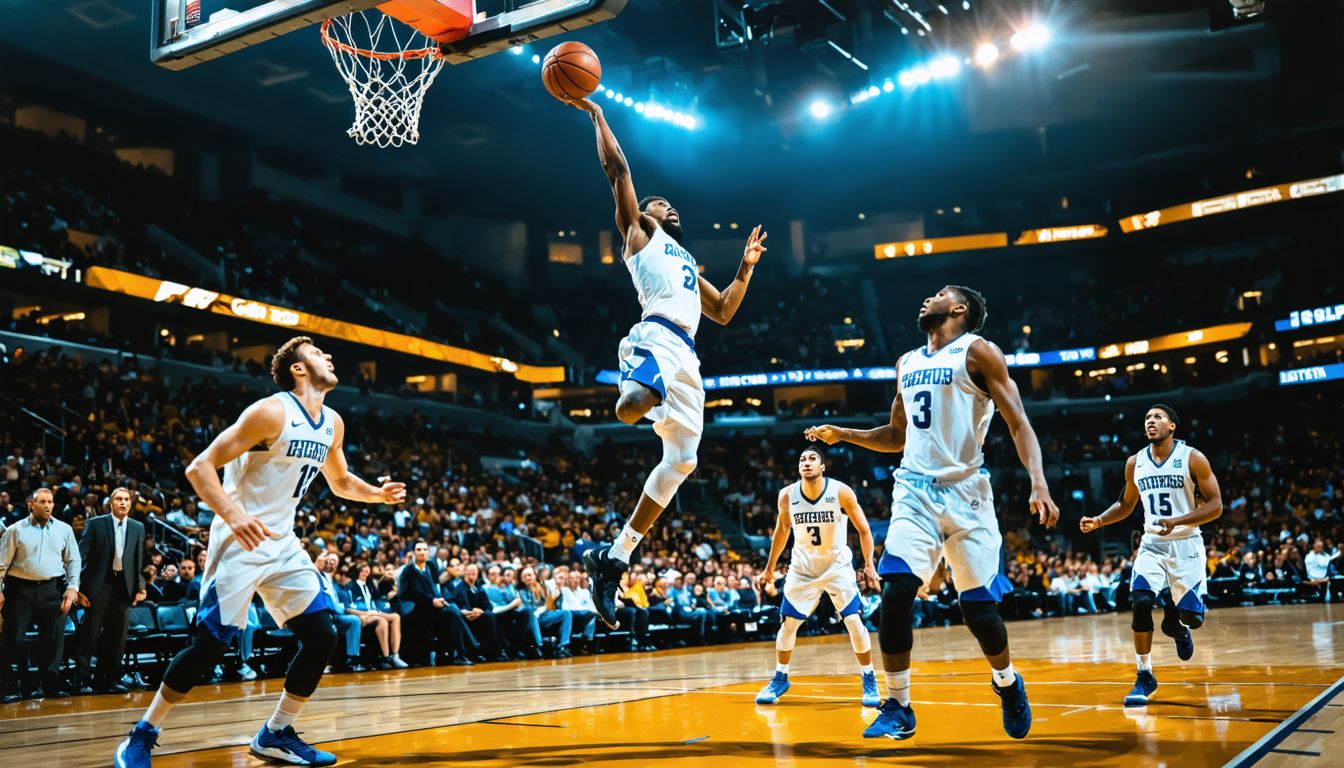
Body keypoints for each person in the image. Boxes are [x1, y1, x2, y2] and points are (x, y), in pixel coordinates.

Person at [114, 336, 406, 767]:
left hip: (283, 541)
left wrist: (378, 495)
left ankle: (275, 733)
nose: (328, 356)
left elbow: (341, 481)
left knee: (323, 635)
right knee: (210, 646)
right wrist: (234, 517)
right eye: (317, 353)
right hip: (240, 539)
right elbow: (199, 467)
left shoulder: (333, 423)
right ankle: (141, 734)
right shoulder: (271, 412)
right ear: (298, 369)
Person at [807, 285, 1060, 741]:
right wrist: (844, 434)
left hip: (967, 492)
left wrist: (1038, 482)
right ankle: (898, 705)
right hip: (914, 491)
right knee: (896, 591)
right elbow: (896, 436)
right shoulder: (905, 362)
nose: (927, 298)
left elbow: (1018, 422)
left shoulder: (979, 351)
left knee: (978, 612)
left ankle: (1007, 682)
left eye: (940, 294)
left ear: (959, 309)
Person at [562, 93, 768, 629]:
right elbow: (617, 170)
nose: (667, 206)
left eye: (670, 204)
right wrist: (598, 116)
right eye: (658, 202)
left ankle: (613, 559)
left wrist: (745, 267)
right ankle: (631, 387)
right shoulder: (639, 234)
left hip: (688, 358)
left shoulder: (687, 261)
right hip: (654, 335)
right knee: (632, 405)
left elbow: (724, 310)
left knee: (682, 462)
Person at [1080, 404, 1222, 706]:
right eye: (1147, 418)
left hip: (1186, 544)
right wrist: (1099, 520)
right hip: (1152, 544)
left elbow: (1216, 506)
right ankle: (1145, 675)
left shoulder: (1193, 458)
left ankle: (1176, 625)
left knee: (1192, 618)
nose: (1151, 421)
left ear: (1172, 426)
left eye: (1158, 417)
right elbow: (1126, 504)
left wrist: (1177, 521)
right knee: (1141, 601)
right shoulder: (1135, 463)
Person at [754, 447, 881, 708]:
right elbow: (781, 531)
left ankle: (869, 677)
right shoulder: (787, 495)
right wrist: (769, 569)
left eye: (812, 459)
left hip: (836, 565)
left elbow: (864, 530)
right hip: (803, 568)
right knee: (788, 624)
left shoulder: (841, 491)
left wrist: (869, 564)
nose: (806, 462)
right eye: (802, 459)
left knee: (853, 620)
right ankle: (780, 677)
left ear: (823, 467)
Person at [0, 488, 81, 702]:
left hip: (52, 589)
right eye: (42, 501)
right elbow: (1, 563)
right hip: (19, 589)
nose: (47, 505)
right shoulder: (15, 530)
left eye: (50, 502)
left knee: (53, 639)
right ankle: (9, 686)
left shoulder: (64, 529)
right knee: (12, 638)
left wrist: (72, 587)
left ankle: (50, 685)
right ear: (31, 505)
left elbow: (73, 560)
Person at [76, 486, 147, 694]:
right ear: (110, 503)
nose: (123, 502)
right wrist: (76, 587)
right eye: (119, 499)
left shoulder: (138, 527)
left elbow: (138, 561)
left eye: (126, 499)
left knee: (117, 637)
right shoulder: (96, 524)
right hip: (98, 585)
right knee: (90, 634)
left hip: (123, 587)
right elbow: (80, 556)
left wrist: (140, 586)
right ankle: (82, 680)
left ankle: (109, 680)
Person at [346, 562, 408, 668]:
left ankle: (395, 655)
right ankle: (385, 657)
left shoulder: (369, 585)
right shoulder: (350, 586)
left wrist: (387, 586)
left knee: (396, 617)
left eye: (367, 571)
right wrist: (366, 613)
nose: (364, 573)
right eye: (362, 571)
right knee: (382, 621)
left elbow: (378, 597)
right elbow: (348, 608)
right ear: (357, 572)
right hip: (362, 615)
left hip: (373, 612)